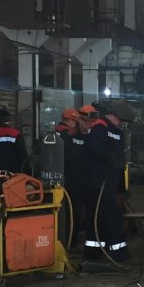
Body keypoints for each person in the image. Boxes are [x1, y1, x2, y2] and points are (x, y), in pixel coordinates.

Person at [82, 105, 129, 263]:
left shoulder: (115, 131)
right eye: (121, 121)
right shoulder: (99, 129)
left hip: (109, 182)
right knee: (109, 217)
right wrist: (111, 159)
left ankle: (97, 252)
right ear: (114, 115)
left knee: (103, 217)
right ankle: (116, 253)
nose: (122, 124)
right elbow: (95, 149)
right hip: (98, 183)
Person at [54, 108, 86, 246]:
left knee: (65, 211)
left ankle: (65, 240)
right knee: (73, 212)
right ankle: (71, 242)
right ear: (69, 120)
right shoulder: (67, 134)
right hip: (73, 180)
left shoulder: (58, 133)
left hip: (63, 180)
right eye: (75, 121)